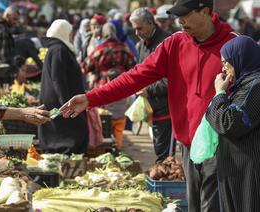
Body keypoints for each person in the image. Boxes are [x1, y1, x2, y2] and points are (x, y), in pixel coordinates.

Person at [60, 1, 237, 211]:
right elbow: (135, 77)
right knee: (195, 206)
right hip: (189, 146)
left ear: (206, 12)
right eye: (177, 15)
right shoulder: (175, 44)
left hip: (222, 145)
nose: (179, 21)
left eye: (185, 15)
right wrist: (91, 99)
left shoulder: (234, 45)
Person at [205, 35, 260, 212]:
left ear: (240, 59)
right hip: (235, 169)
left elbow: (228, 124)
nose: (224, 70)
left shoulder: (256, 86)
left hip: (248, 173)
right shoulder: (244, 85)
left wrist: (219, 94)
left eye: (226, 63)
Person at [82, 23, 136, 149]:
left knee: (103, 116)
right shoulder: (124, 48)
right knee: (119, 115)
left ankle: (103, 143)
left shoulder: (99, 49)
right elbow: (133, 66)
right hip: (121, 85)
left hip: (102, 85)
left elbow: (85, 67)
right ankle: (117, 144)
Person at [129, 8, 173, 163]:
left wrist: (149, 90)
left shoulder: (167, 42)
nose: (136, 33)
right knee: (159, 147)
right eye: (134, 29)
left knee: (164, 152)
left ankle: (164, 182)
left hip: (166, 105)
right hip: (150, 106)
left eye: (139, 28)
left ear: (150, 23)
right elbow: (139, 72)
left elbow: (172, 79)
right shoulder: (141, 45)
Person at [39, 20, 88, 154]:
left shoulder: (58, 49)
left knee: (64, 131)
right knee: (70, 132)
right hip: (60, 101)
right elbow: (58, 79)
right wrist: (66, 104)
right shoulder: (59, 49)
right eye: (70, 33)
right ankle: (65, 160)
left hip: (59, 100)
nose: (71, 36)